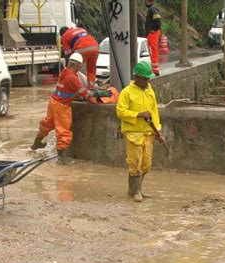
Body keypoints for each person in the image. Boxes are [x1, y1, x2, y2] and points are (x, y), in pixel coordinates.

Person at [31, 53, 111, 165]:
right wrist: (101, 93)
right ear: (78, 66)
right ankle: (62, 158)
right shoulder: (72, 77)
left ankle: (37, 143)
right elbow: (85, 93)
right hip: (62, 107)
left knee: (47, 124)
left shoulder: (64, 72)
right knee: (63, 131)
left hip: (53, 102)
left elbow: (72, 90)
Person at [116, 60, 163, 202]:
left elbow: (154, 112)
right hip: (133, 133)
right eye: (144, 78)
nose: (146, 81)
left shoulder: (150, 92)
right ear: (136, 77)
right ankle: (135, 191)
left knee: (146, 164)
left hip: (148, 133)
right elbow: (120, 112)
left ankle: (137, 189)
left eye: (147, 78)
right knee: (134, 162)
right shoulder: (126, 93)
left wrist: (158, 131)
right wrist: (138, 115)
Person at [145, 0, 161, 76]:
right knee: (153, 50)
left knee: (152, 50)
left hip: (153, 33)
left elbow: (157, 22)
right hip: (154, 32)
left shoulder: (152, 9)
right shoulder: (153, 8)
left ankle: (154, 70)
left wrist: (152, 29)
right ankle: (155, 70)